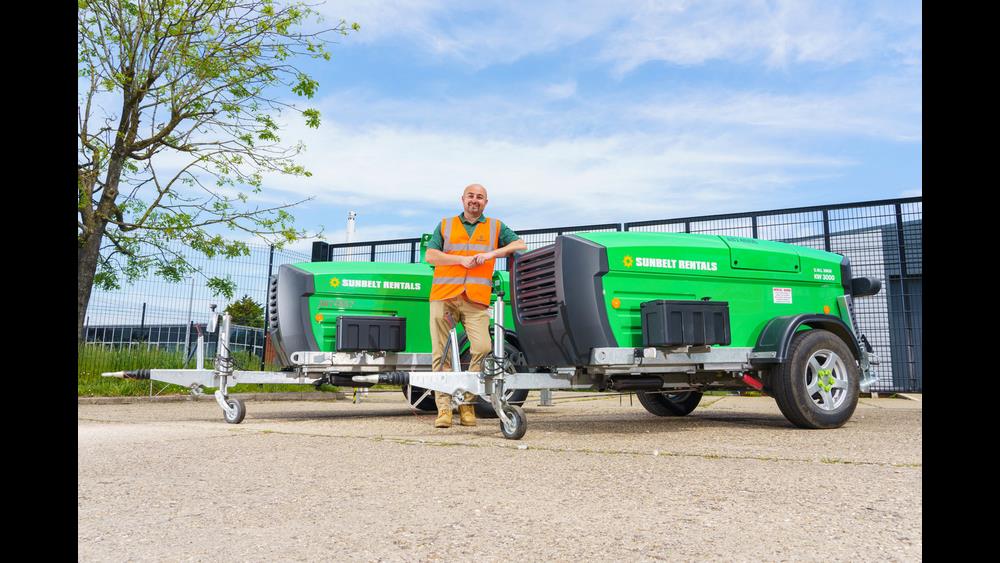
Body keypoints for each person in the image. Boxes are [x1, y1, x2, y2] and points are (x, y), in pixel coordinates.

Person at [424, 184, 527, 428]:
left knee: (482, 347)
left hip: (476, 299)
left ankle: (467, 404)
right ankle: (444, 409)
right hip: (444, 296)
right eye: (471, 196)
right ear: (462, 199)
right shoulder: (446, 225)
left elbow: (519, 245)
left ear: (485, 202)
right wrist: (461, 260)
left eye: (480, 197)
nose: (475, 200)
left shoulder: (495, 226)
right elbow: (431, 256)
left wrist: (492, 254)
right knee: (442, 354)